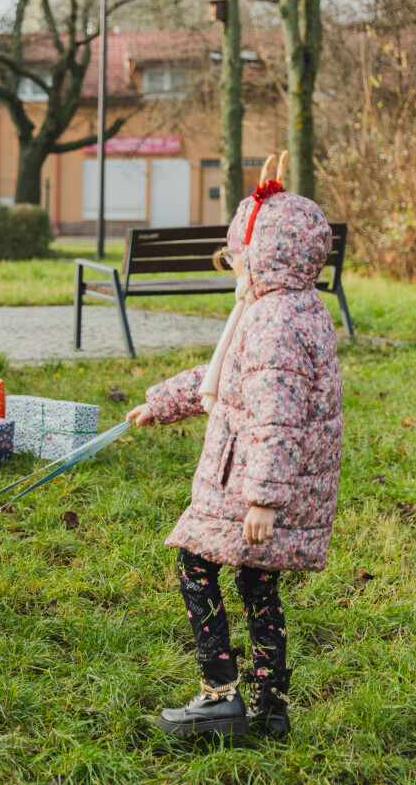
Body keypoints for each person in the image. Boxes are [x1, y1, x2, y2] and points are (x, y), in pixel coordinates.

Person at [127, 160, 342, 739]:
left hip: (251, 482)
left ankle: (219, 695)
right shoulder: (288, 306)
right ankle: (272, 709)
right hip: (263, 479)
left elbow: (278, 417)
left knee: (194, 562)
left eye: (237, 257)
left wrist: (263, 501)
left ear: (263, 256)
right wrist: (163, 403)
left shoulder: (274, 320)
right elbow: (228, 377)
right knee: (257, 583)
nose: (234, 268)